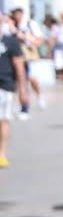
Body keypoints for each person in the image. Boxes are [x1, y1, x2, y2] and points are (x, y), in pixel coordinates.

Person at [0, 13, 26, 167]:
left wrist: (22, 89)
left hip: (4, 86)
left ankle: (1, 154)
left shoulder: (10, 42)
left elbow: (19, 66)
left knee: (3, 121)